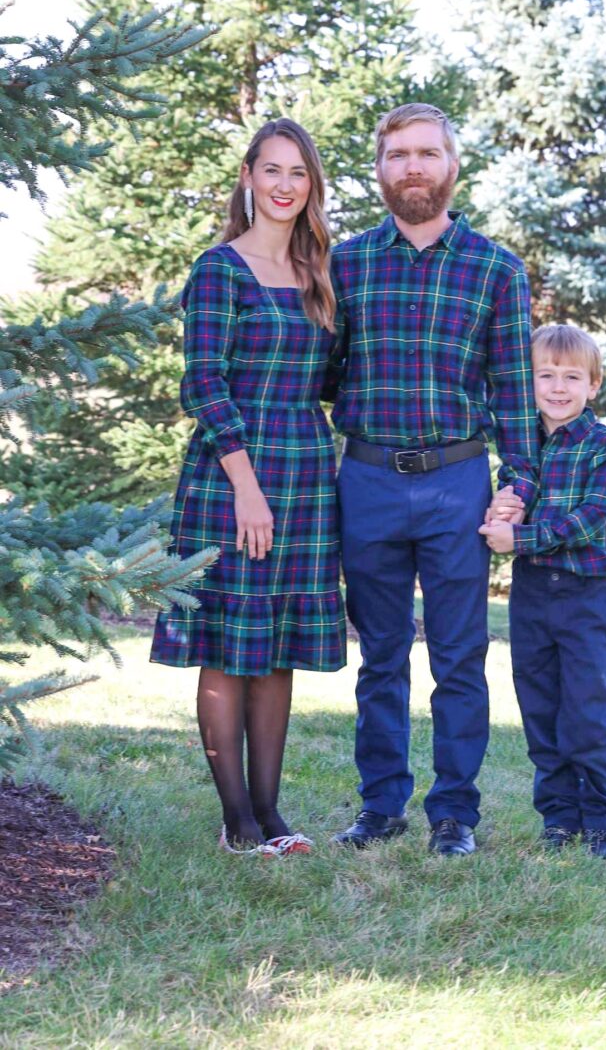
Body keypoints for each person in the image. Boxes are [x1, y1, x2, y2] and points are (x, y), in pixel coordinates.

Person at [326, 102, 539, 856]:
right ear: (379, 169)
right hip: (369, 480)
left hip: (458, 485)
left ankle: (455, 815)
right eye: (397, 156)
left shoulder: (496, 269)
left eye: (427, 153)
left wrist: (517, 487)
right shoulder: (342, 263)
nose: (412, 167)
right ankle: (381, 807)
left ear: (452, 165)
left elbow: (515, 393)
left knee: (458, 657)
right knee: (380, 656)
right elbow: (316, 373)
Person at [151, 118, 346, 857]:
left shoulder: (318, 271)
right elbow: (201, 382)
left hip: (303, 470)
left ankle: (272, 815)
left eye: (299, 173)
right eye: (272, 170)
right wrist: (245, 484)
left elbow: (327, 381)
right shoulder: (220, 269)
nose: (285, 185)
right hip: (231, 474)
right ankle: (236, 820)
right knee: (229, 644)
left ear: (311, 185)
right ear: (248, 177)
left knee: (276, 646)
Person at [480, 324, 606, 857]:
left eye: (571, 377)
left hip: (586, 592)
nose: (558, 388)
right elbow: (511, 496)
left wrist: (517, 537)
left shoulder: (603, 444)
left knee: (586, 711)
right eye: (546, 375)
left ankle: (602, 822)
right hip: (533, 591)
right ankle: (559, 819)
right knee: (540, 707)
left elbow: (590, 520)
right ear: (528, 382)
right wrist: (503, 507)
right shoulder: (522, 448)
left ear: (593, 386)